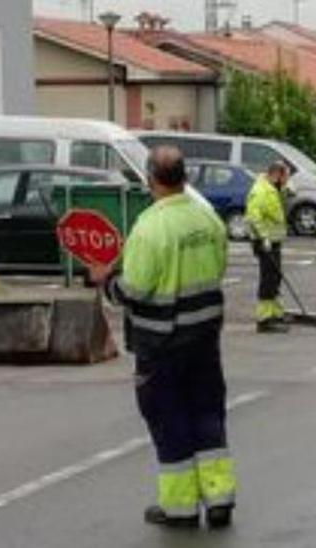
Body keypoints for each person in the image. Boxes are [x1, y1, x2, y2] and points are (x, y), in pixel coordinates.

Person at [89, 146, 235, 529]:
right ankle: (220, 499)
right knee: (207, 414)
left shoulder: (149, 228)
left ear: (151, 179)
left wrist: (107, 280)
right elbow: (218, 268)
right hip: (205, 336)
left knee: (169, 421)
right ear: (184, 177)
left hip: (163, 343)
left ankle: (181, 507)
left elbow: (133, 290)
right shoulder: (208, 220)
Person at [246, 161, 291, 333]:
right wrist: (263, 237)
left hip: (274, 241)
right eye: (285, 176)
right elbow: (253, 217)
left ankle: (276, 313)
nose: (286, 180)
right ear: (277, 175)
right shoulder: (260, 191)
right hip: (264, 242)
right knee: (268, 279)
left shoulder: (274, 189)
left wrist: (285, 190)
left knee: (276, 277)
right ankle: (264, 319)